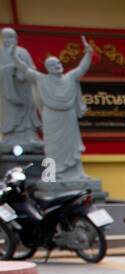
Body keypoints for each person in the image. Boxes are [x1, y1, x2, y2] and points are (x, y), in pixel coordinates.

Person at [16, 37, 94, 180]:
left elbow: (82, 68)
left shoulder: (69, 77)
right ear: (48, 69)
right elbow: (25, 70)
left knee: (72, 147)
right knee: (52, 148)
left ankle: (77, 174)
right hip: (51, 118)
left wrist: (88, 53)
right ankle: (52, 174)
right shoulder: (41, 79)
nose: (57, 65)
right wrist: (14, 56)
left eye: (58, 62)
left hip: (68, 117)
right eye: (53, 64)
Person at [0, 28, 40, 147]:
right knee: (9, 114)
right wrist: (10, 70)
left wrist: (23, 71)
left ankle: (30, 136)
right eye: (6, 37)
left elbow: (32, 69)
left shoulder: (23, 52)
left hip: (25, 90)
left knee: (28, 113)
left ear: (16, 39)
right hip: (7, 93)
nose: (9, 40)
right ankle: (9, 137)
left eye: (11, 37)